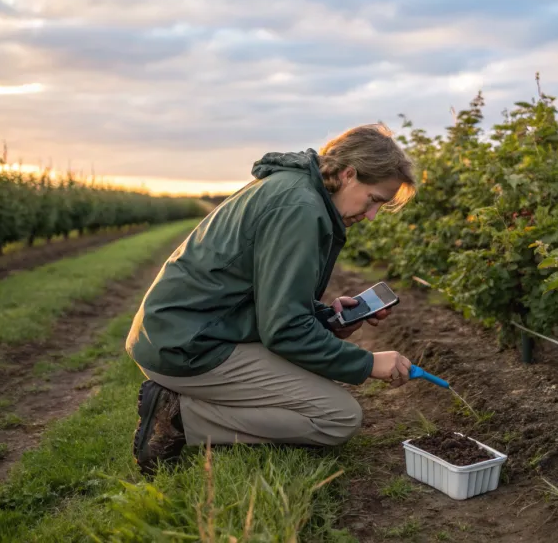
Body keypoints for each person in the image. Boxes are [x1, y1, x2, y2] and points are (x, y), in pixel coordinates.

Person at [126, 123, 417, 475]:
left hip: (178, 331)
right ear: (348, 174)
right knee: (339, 417)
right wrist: (368, 364)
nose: (371, 215)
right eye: (374, 201)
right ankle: (179, 418)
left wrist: (324, 317)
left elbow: (263, 298)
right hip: (186, 347)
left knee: (321, 378)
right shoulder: (300, 209)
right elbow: (284, 331)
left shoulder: (295, 190)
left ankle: (185, 405)